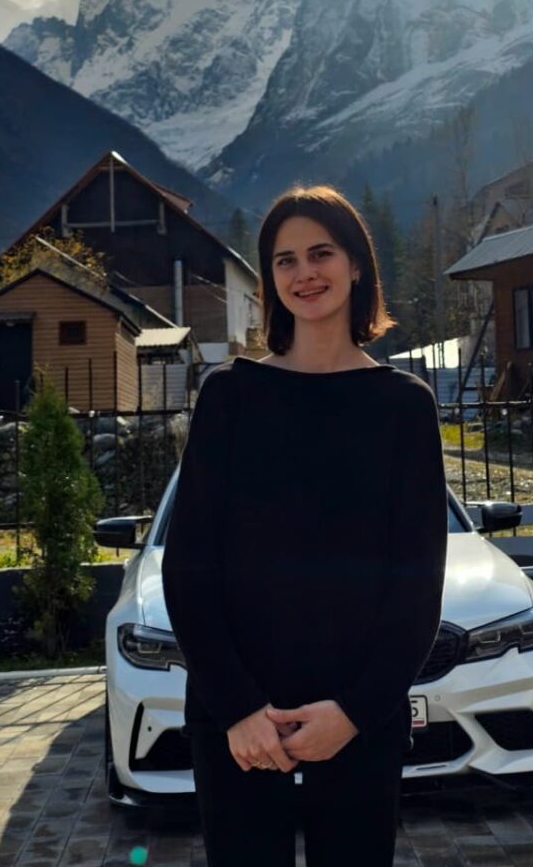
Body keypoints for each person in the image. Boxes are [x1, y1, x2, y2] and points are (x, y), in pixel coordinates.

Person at [161, 183, 448, 867]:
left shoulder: (404, 406)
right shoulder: (229, 396)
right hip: (238, 726)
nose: (304, 273)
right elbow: (189, 566)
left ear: (357, 266)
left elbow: (417, 585)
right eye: (284, 260)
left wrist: (353, 713)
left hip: (357, 724)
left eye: (321, 253)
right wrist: (238, 709)